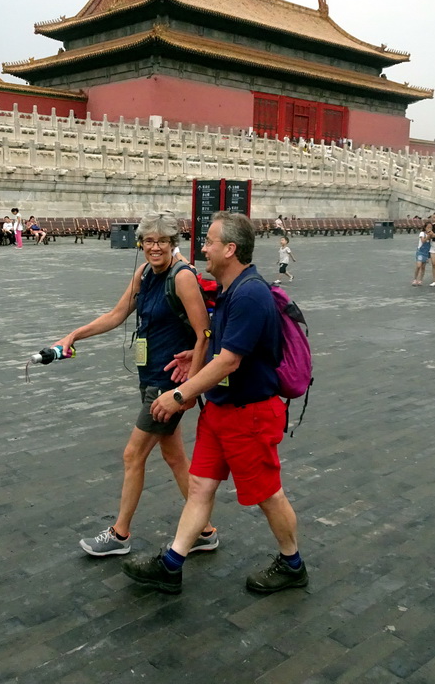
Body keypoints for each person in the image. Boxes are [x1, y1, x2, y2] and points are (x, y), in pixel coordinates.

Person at [121, 211, 307, 595]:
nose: (202, 247)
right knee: (201, 486)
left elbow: (230, 360)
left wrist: (179, 394)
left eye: (209, 241)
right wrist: (195, 356)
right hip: (221, 409)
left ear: (230, 249)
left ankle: (293, 564)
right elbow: (221, 349)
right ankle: (172, 564)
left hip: (250, 413)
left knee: (268, 495)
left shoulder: (250, 293)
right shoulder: (229, 290)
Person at [52, 212, 214, 558]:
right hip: (150, 377)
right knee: (173, 457)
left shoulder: (181, 277)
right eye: (149, 241)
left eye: (162, 241)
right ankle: (204, 530)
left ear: (173, 243)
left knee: (132, 454)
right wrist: (75, 335)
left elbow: (204, 334)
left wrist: (190, 389)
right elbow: (117, 314)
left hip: (167, 385)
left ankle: (120, 532)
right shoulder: (143, 273)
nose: (154, 247)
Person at [412, 222, 433, 286]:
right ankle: (415, 279)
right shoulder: (422, 233)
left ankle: (420, 280)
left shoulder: (431, 234)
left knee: (423, 267)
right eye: (428, 227)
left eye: (430, 227)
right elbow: (423, 241)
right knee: (418, 265)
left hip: (426, 252)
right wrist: (428, 236)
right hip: (420, 251)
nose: (429, 229)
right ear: (425, 227)